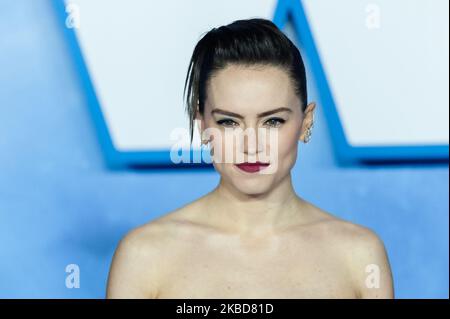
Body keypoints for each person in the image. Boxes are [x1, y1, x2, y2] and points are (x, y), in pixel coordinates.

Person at [106, 18, 394, 299]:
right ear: (202, 125)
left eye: (273, 121)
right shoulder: (145, 256)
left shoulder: (359, 255)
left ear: (306, 123)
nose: (251, 145)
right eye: (229, 122)